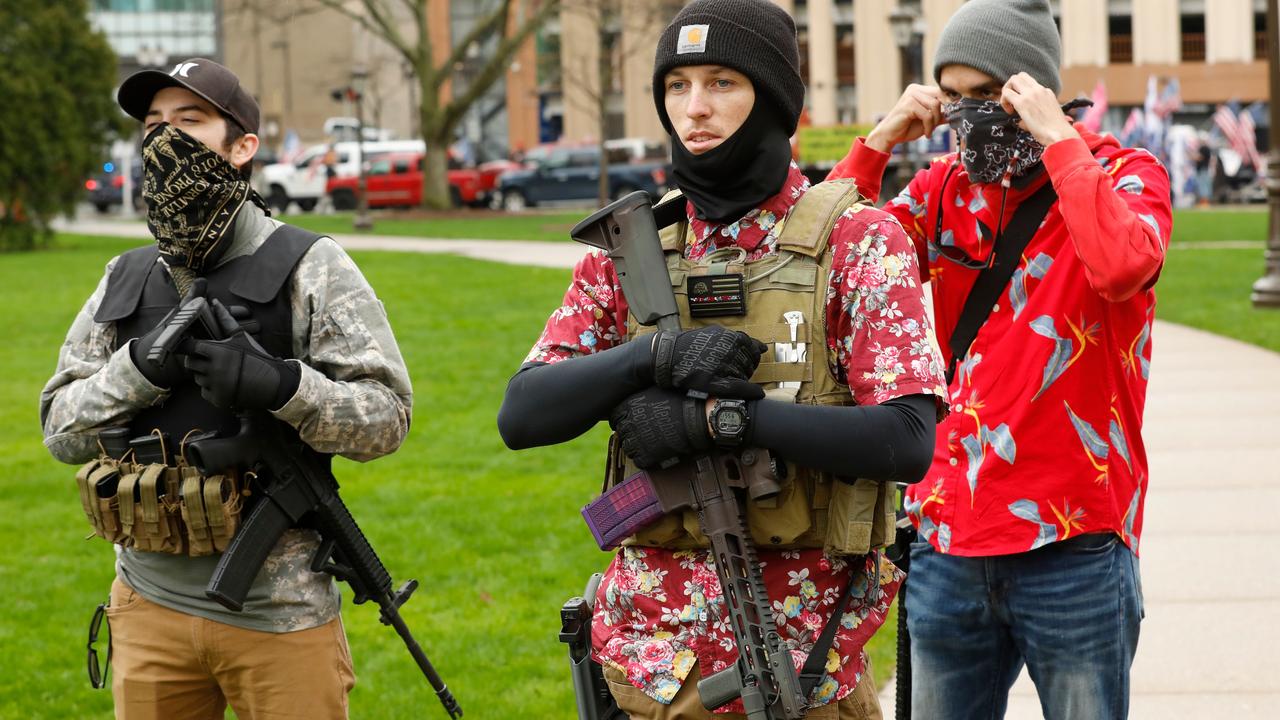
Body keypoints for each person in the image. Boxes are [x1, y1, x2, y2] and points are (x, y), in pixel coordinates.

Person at [498, 1, 948, 718]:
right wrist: (652, 358)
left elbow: (905, 437)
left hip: (799, 668)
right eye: (677, 86)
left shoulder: (859, 240)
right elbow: (522, 414)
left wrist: (726, 422)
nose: (695, 108)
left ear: (772, 99)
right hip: (648, 666)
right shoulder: (634, 250)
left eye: (721, 83)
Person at [825, 1, 1171, 717]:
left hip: (1074, 538)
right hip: (948, 541)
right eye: (955, 97)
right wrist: (880, 141)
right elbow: (829, 263)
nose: (971, 117)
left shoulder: (1126, 173)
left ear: (1035, 88)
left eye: (991, 96)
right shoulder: (944, 189)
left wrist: (1058, 141)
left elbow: (1121, 266)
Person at [40, 58, 412, 719]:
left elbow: (387, 419)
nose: (165, 141)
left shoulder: (310, 266)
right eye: (152, 125)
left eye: (190, 122)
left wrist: (283, 386)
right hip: (146, 606)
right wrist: (139, 372)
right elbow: (60, 431)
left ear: (242, 146)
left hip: (281, 614)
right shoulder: (125, 278)